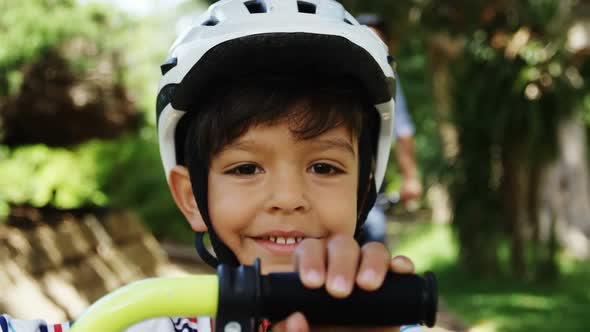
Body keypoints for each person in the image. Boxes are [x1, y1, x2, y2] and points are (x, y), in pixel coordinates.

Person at [1, 1, 424, 331]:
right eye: (245, 169)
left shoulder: (390, 325)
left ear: (363, 192)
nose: (288, 199)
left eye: (324, 168)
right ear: (191, 197)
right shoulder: (138, 320)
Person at [356, 13, 423, 244]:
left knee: (373, 240)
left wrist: (411, 177)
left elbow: (402, 129)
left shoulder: (388, 80)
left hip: (368, 184)